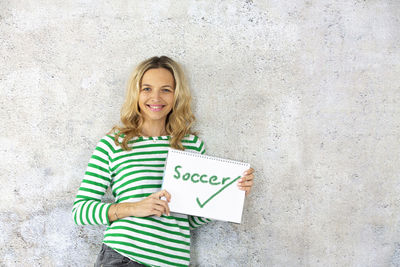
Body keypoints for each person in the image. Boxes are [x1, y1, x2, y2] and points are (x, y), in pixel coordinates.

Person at [72, 56, 254, 267]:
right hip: (124, 258)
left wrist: (231, 193)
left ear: (177, 95)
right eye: (147, 89)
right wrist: (134, 208)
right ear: (136, 93)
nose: (156, 98)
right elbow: (81, 211)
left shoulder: (191, 146)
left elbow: (190, 220)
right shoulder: (114, 144)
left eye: (166, 89)